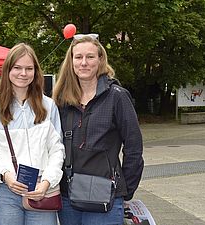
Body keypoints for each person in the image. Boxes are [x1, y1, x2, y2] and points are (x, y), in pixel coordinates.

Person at [52, 34, 144, 225]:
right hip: (68, 198)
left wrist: (125, 190)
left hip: (106, 198)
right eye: (78, 57)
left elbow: (134, 148)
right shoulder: (61, 100)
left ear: (100, 60)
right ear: (71, 61)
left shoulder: (117, 97)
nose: (83, 63)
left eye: (90, 57)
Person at [0, 43, 65, 225]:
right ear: (8, 70)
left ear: (36, 72)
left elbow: (57, 151)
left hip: (42, 190)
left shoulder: (49, 106)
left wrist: (47, 182)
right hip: (6, 193)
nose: (23, 73)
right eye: (17, 67)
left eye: (29, 68)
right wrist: (5, 175)